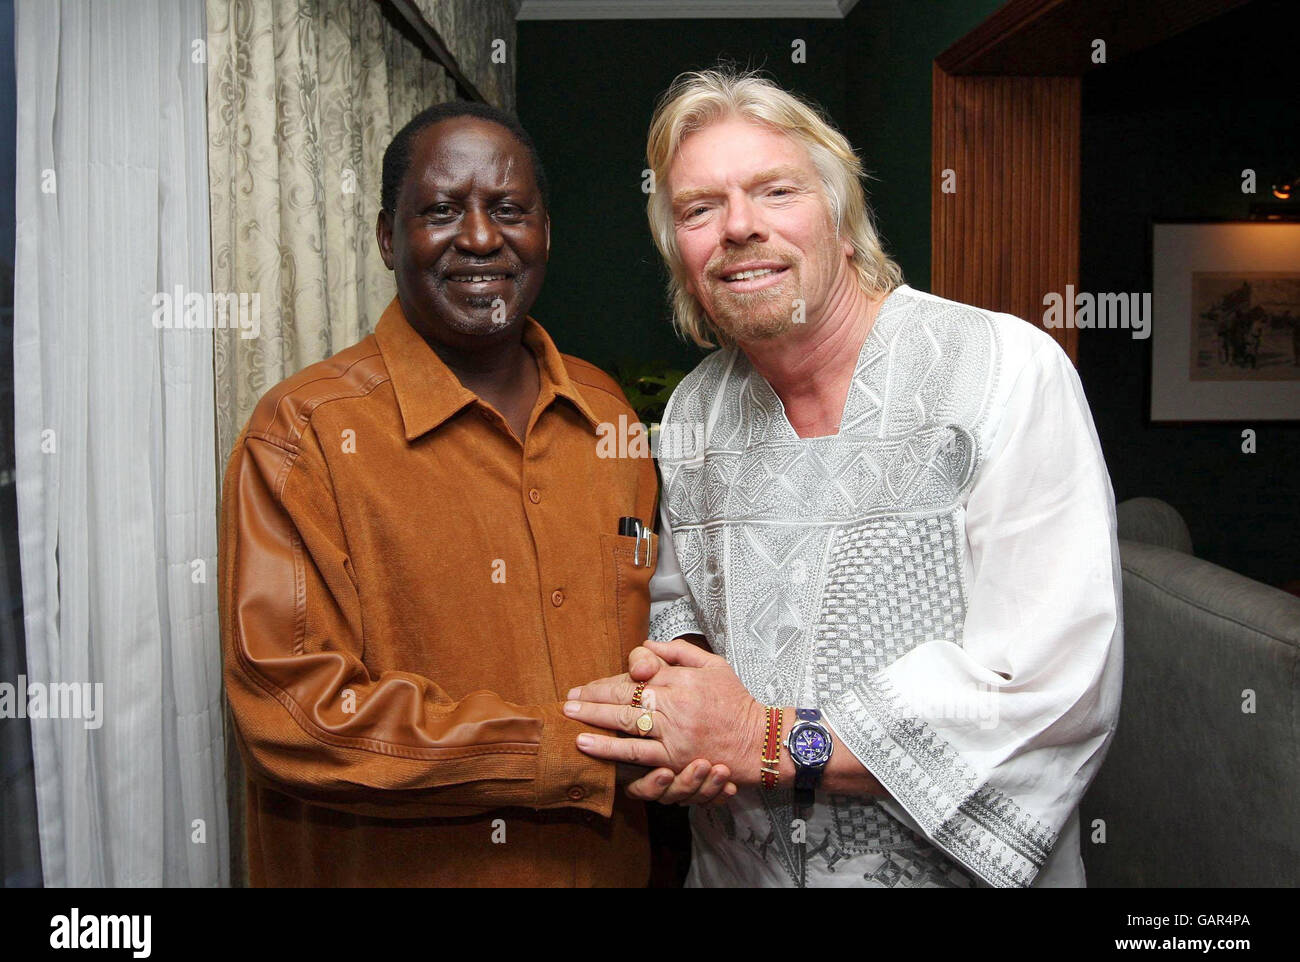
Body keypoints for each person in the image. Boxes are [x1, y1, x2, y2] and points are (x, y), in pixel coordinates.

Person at [565, 68, 1123, 888]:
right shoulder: (695, 412)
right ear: (681, 260)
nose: (739, 227)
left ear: (844, 221)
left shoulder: (1003, 370)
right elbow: (684, 605)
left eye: (775, 191)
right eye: (698, 209)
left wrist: (762, 738)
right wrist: (676, 711)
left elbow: (1049, 689)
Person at [219, 101, 726, 887]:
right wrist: (571, 751)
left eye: (510, 209)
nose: (482, 237)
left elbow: (654, 626)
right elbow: (291, 712)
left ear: (546, 233)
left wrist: (678, 718)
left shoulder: (608, 419)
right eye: (442, 210)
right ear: (389, 238)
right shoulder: (303, 435)